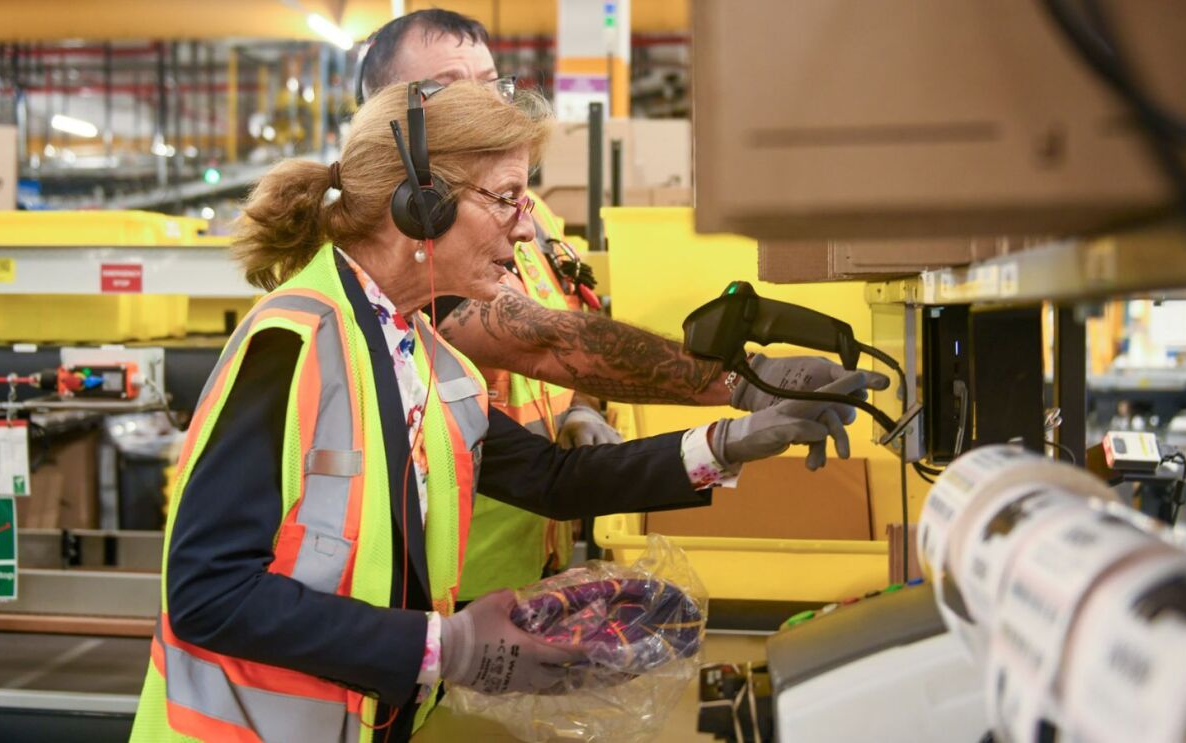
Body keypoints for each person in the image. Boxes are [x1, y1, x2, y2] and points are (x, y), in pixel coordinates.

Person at [129, 80, 867, 742]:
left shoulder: (427, 358)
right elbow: (208, 593)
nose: (524, 229)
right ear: (421, 205)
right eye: (507, 197)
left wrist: (733, 440)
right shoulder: (292, 345)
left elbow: (553, 480)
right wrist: (442, 645)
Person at [356, 9, 890, 603]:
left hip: (529, 558)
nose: (487, 102)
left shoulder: (533, 224)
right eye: (454, 86)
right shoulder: (408, 256)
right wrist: (745, 380)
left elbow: (567, 354)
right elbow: (546, 341)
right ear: (389, 121)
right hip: (440, 587)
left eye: (492, 81)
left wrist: (584, 409)